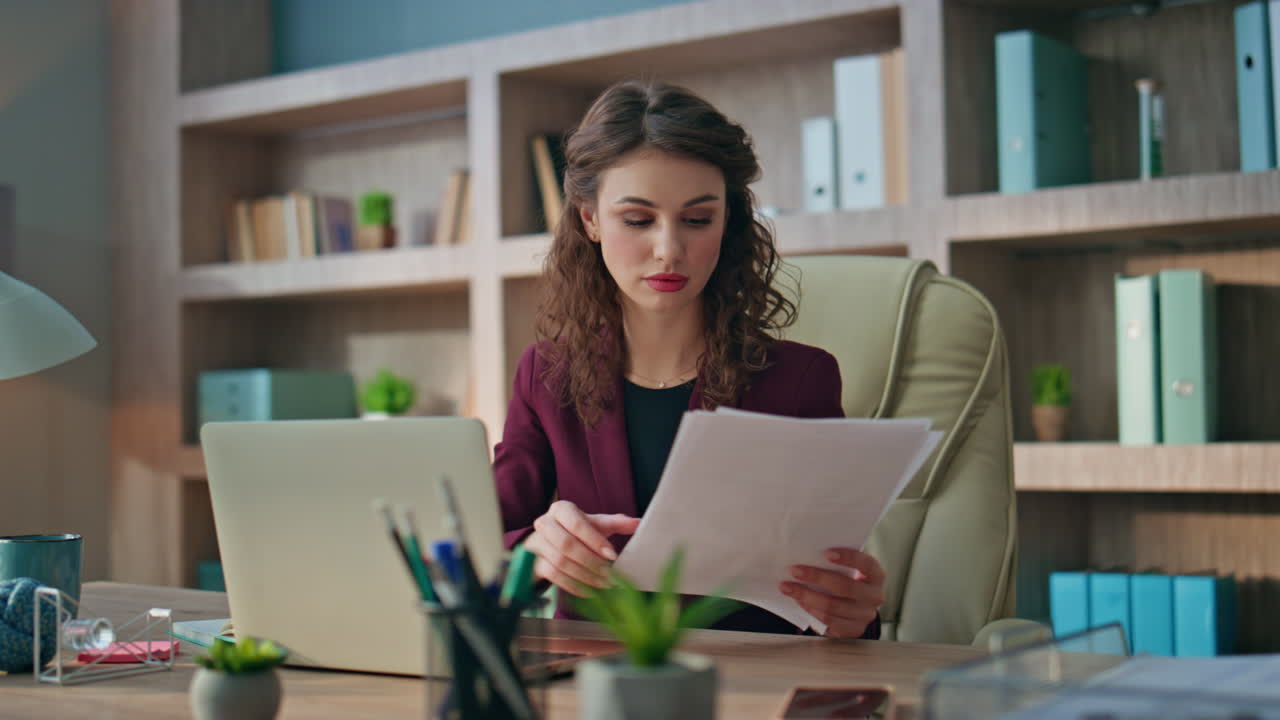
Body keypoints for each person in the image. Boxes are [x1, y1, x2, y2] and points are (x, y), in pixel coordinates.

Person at [493, 80, 883, 639]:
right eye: (638, 220)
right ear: (590, 219)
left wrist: (853, 611)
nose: (669, 250)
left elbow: (834, 589)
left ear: (728, 223)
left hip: (748, 674)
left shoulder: (801, 380)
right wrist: (536, 550)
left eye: (697, 220)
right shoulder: (545, 375)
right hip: (594, 674)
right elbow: (489, 547)